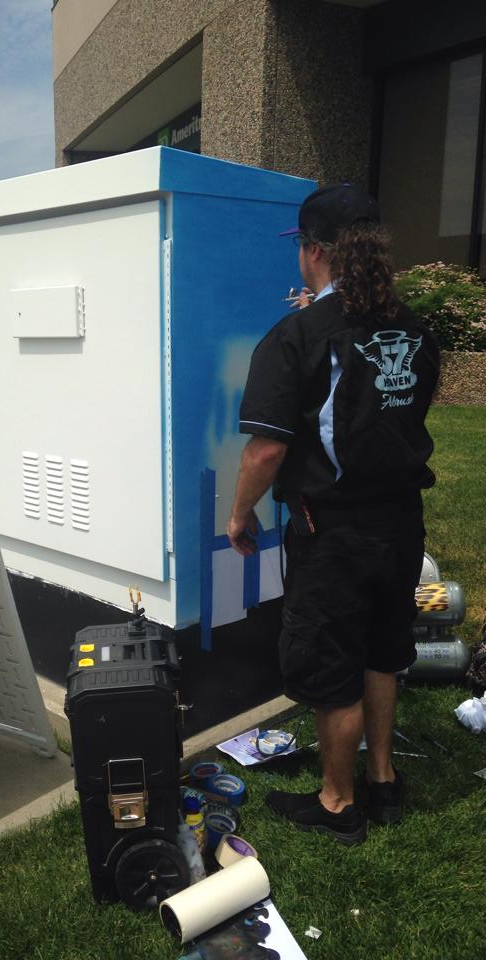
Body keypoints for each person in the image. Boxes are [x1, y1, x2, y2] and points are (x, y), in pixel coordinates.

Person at [227, 183, 439, 845]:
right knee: (383, 652)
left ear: (313, 251)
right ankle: (382, 781)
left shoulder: (296, 337)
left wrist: (239, 516)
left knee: (334, 667)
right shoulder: (412, 327)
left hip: (335, 533)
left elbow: (265, 451)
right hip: (401, 522)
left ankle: (338, 802)